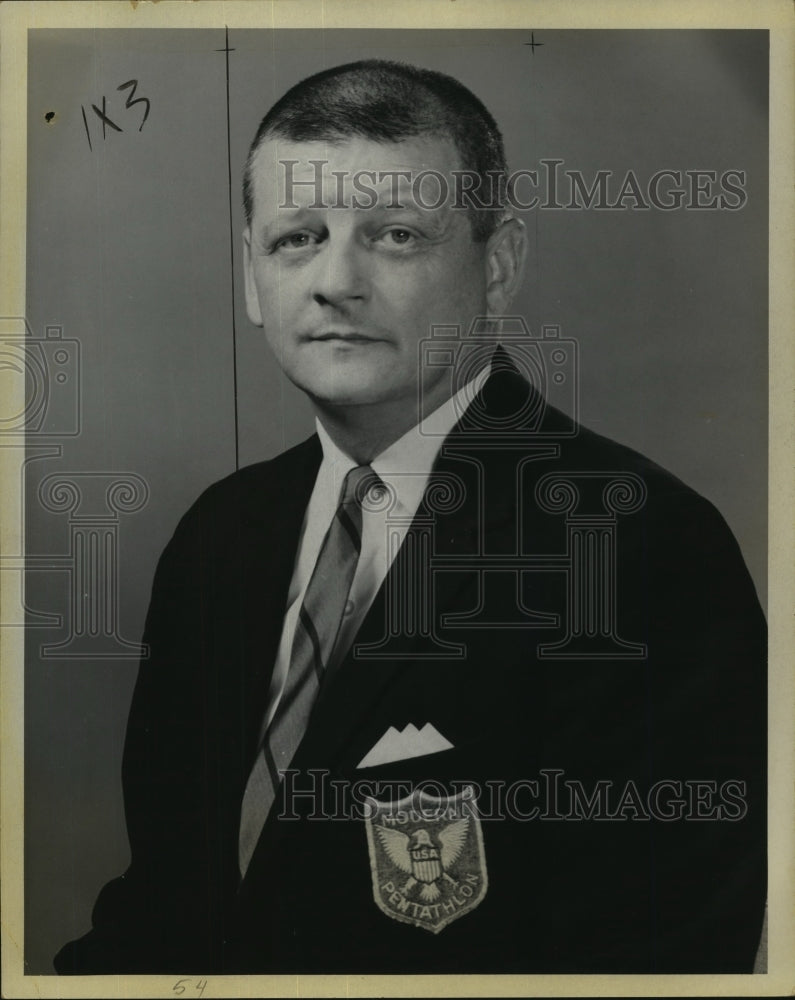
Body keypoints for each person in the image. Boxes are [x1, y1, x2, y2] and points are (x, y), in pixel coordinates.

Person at [54, 59, 766, 975]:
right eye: (295, 238)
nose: (333, 282)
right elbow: (165, 905)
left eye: (393, 235)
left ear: (498, 263)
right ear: (249, 278)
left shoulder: (639, 547)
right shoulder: (220, 537)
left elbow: (652, 963)